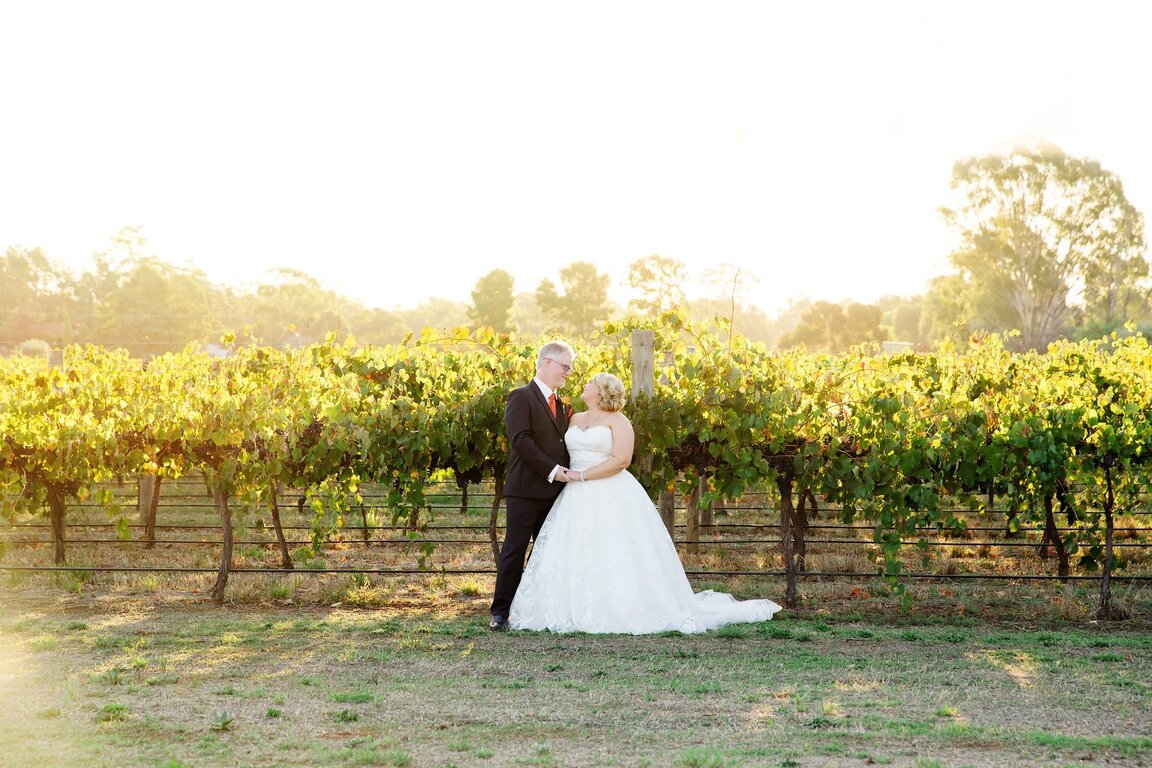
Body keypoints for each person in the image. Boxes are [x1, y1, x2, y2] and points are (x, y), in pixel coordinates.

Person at [509, 372, 782, 634]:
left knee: (614, 548)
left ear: (600, 391)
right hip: (574, 494)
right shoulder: (573, 417)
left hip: (608, 490)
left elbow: (621, 460)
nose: (584, 385)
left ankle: (617, 606)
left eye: (590, 382)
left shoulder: (619, 421)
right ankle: (571, 606)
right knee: (575, 548)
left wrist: (583, 475)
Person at [489, 340, 577, 631]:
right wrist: (552, 470)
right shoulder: (521, 396)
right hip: (525, 490)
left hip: (556, 492)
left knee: (546, 553)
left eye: (570, 368)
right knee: (514, 549)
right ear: (546, 362)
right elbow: (521, 440)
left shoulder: (563, 405)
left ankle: (537, 609)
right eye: (565, 366)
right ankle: (501, 611)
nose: (568, 373)